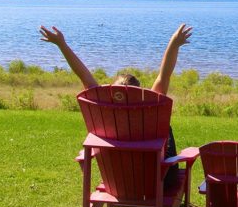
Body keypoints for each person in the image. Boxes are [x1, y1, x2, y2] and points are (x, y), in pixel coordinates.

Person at [39, 23, 193, 186]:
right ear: (139, 92)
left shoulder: (103, 108)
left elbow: (83, 76)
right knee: (165, 128)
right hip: (158, 180)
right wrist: (174, 42)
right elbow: (164, 76)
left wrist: (61, 44)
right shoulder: (150, 106)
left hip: (117, 181)